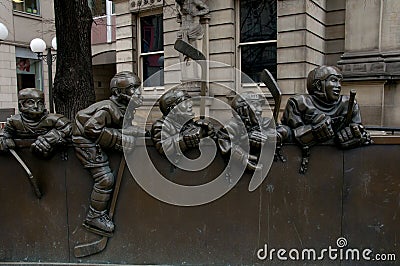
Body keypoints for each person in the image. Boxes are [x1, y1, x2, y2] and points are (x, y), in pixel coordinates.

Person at [73, 71, 145, 237]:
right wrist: (120, 139)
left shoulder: (124, 107)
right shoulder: (108, 108)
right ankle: (94, 216)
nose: (138, 92)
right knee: (105, 179)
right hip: (85, 142)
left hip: (93, 138)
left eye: (138, 87)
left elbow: (119, 126)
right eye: (132, 88)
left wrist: (131, 131)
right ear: (118, 93)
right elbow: (92, 129)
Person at [280, 65, 371, 149]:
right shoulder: (298, 103)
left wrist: (355, 134)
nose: (338, 86)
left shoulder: (349, 104)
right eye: (334, 80)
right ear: (319, 85)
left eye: (339, 81)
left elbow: (360, 130)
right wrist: (312, 131)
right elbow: (289, 135)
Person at [0, 88, 71, 157]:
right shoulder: (14, 121)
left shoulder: (55, 119)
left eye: (40, 102)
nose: (36, 106)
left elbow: (69, 128)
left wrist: (51, 137)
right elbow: (5, 133)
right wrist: (3, 139)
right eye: (30, 102)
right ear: (21, 104)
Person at [217, 92, 275, 171]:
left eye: (260, 106)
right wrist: (242, 156)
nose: (260, 110)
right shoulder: (232, 126)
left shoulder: (266, 122)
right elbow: (224, 143)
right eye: (255, 105)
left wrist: (265, 136)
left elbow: (283, 131)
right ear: (243, 110)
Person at [151, 88, 214, 157]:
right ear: (173, 109)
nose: (190, 104)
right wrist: (185, 139)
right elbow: (163, 147)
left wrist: (206, 131)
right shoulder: (161, 125)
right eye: (185, 101)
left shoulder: (189, 123)